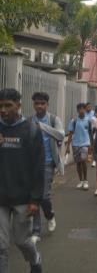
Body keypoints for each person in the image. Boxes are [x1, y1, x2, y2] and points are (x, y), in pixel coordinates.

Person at [0, 88, 44, 273]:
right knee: (1, 246)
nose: (3, 110)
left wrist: (35, 199)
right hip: (1, 197)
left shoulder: (31, 130)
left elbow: (38, 168)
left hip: (23, 198)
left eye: (8, 105)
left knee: (21, 241)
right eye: (0, 106)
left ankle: (35, 259)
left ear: (18, 105)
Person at [29, 92, 65, 243]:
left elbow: (61, 135)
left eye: (42, 103)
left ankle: (50, 215)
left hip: (48, 163)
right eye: (37, 103)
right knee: (33, 198)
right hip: (31, 164)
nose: (39, 106)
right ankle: (36, 231)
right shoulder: (29, 121)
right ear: (33, 105)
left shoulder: (53, 119)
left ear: (47, 105)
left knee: (44, 196)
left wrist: (42, 126)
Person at [65, 103, 93, 190]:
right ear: (77, 111)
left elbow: (90, 133)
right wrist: (67, 147)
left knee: (84, 161)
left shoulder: (88, 121)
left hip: (85, 144)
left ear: (85, 110)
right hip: (75, 144)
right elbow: (70, 134)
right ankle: (80, 181)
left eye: (83, 109)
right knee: (78, 163)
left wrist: (92, 145)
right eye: (80, 109)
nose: (81, 110)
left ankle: (85, 181)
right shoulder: (74, 121)